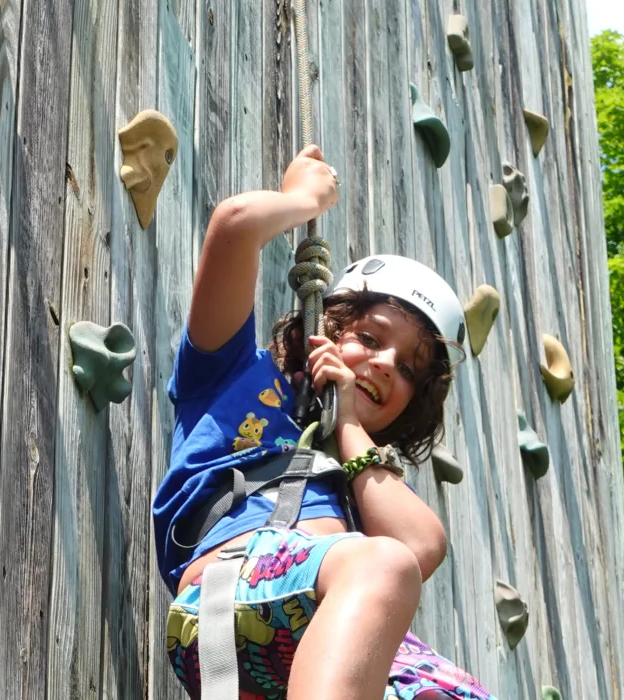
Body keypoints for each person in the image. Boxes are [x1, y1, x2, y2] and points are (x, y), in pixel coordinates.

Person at [154, 144, 494, 700]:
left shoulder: (356, 479)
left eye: (406, 367)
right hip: (232, 597)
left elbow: (423, 544)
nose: (384, 363)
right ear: (330, 328)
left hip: (308, 645)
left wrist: (350, 425)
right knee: (383, 566)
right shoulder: (232, 375)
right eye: (369, 338)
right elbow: (235, 228)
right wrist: (302, 199)